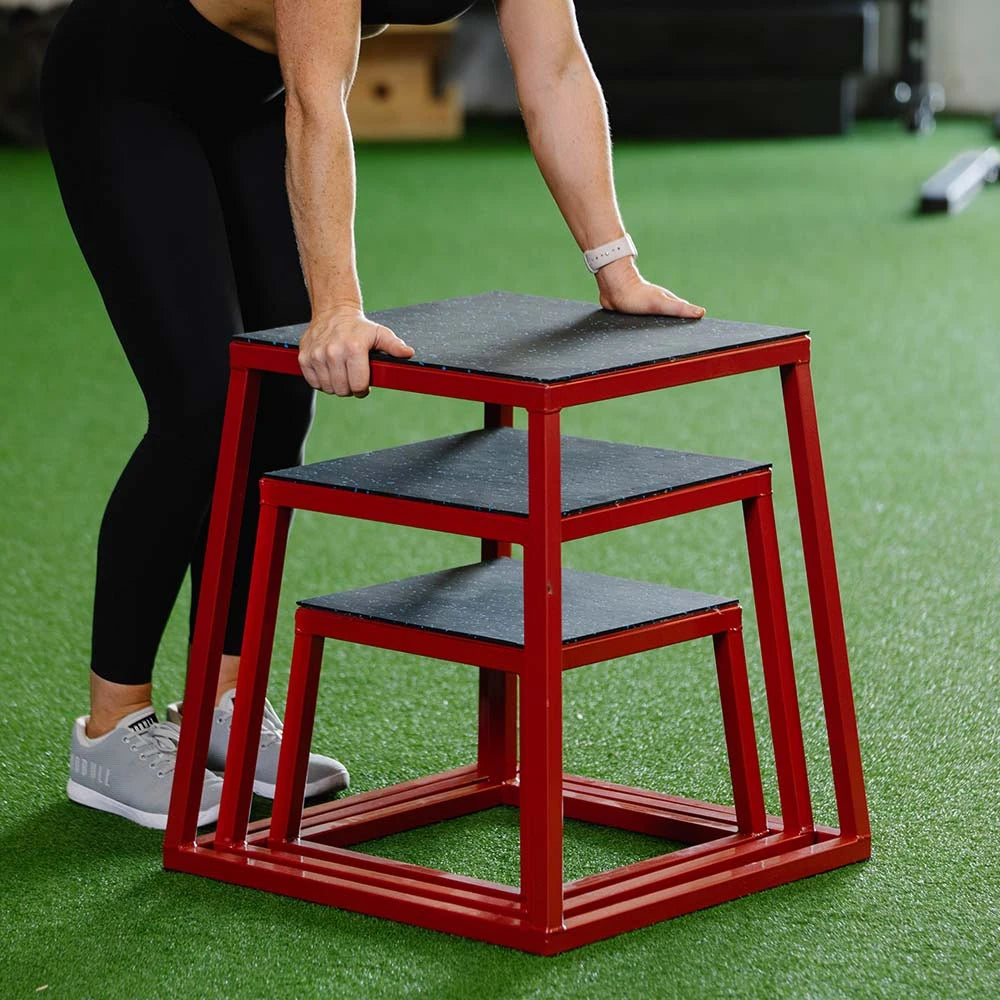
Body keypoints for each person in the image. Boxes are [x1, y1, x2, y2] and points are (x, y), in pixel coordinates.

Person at [41, 0, 706, 831]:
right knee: (202, 403)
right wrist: (336, 306)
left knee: (277, 398)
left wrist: (616, 267)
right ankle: (112, 731)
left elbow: (558, 69)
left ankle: (224, 705)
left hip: (255, 92)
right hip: (128, 77)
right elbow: (319, 98)